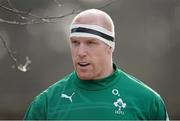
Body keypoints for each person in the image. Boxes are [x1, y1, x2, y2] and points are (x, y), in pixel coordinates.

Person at [24, 9, 169, 120]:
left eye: (90, 43)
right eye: (75, 42)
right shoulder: (45, 104)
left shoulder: (148, 101)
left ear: (110, 46)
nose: (80, 52)